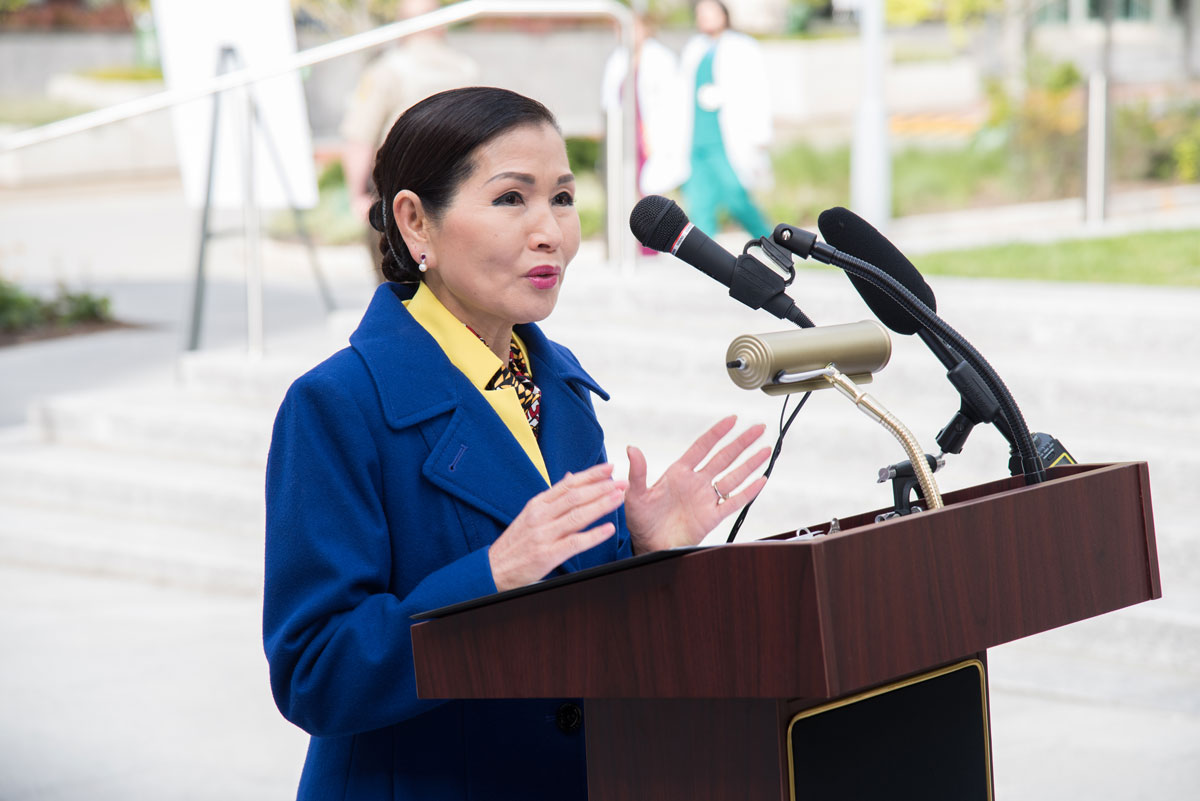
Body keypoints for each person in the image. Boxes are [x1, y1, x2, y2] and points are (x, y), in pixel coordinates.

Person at [263, 87, 770, 801]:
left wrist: (636, 550)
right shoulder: (338, 404)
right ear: (415, 222)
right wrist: (490, 574)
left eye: (563, 198)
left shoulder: (557, 385)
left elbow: (566, 611)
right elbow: (313, 673)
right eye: (511, 199)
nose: (551, 232)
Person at [340, 0, 479, 281]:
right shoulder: (466, 70)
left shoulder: (386, 70)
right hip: (458, 193)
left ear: (402, 24)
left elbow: (360, 136)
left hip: (398, 195)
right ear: (441, 24)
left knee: (396, 285)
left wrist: (357, 195)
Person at [678, 0, 773, 239]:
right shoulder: (694, 48)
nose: (705, 17)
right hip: (696, 141)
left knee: (737, 199)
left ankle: (774, 245)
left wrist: (761, 134)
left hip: (727, 139)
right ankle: (704, 255)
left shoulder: (742, 47)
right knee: (700, 203)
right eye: (701, 13)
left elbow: (758, 91)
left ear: (724, 14)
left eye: (710, 12)